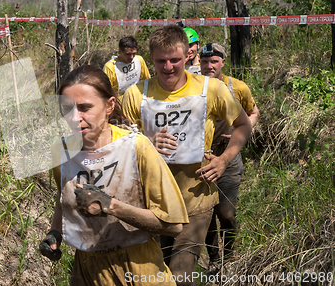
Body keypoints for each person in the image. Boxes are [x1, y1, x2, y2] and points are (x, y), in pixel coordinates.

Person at [121, 26, 252, 286]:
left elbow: (243, 124)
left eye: (175, 60)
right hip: (152, 204)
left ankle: (220, 259)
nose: (168, 67)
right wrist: (146, 143)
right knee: (155, 276)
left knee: (181, 275)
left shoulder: (211, 89)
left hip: (196, 198)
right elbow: (120, 144)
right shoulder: (136, 94)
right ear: (151, 59)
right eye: (161, 61)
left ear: (187, 56)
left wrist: (224, 160)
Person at [39, 65, 189, 286]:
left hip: (139, 269)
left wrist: (111, 205)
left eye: (84, 108)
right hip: (87, 272)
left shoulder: (136, 148)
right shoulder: (60, 151)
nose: (74, 118)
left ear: (109, 105)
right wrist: (55, 233)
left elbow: (173, 225)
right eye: (67, 108)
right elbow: (64, 199)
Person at [199, 43, 259, 270]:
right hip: (201, 159)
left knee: (226, 212)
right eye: (204, 62)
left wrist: (239, 131)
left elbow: (253, 112)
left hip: (229, 158)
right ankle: (214, 259)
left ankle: (230, 254)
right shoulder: (193, 85)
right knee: (206, 214)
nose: (208, 66)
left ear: (223, 62)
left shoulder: (237, 87)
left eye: (214, 61)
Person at [103, 36, 151, 102]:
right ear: (120, 51)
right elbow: (106, 91)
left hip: (137, 97)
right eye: (128, 54)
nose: (131, 57)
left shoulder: (139, 60)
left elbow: (148, 80)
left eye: (134, 53)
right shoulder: (110, 67)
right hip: (120, 101)